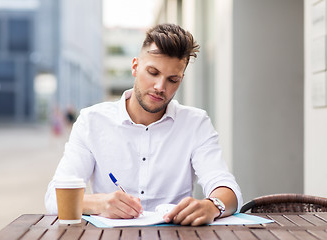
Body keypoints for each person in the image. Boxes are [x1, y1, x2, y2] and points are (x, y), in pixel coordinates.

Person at [45, 23, 242, 226]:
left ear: (181, 80)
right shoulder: (91, 121)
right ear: (135, 66)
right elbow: (54, 197)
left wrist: (213, 205)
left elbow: (227, 188)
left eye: (172, 79)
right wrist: (99, 203)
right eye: (153, 72)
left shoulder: (196, 123)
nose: (160, 87)